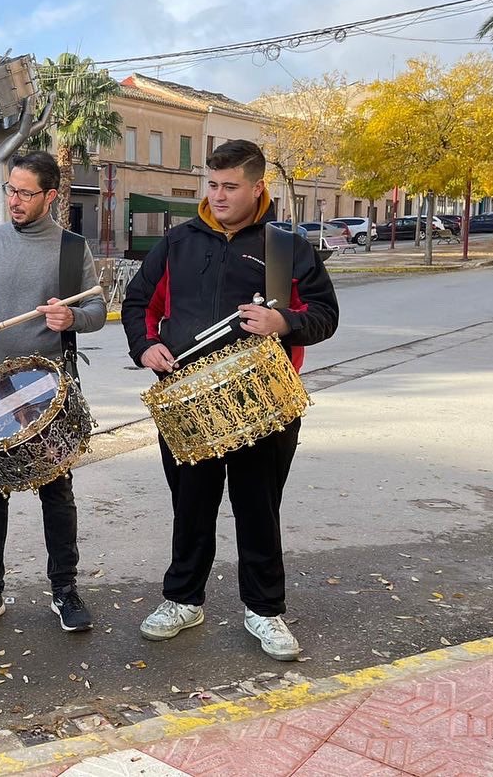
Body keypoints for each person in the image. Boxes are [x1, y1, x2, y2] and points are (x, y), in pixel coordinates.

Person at [121, 139, 339, 661]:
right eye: (212, 185)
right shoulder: (177, 242)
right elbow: (135, 303)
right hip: (188, 405)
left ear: (257, 187)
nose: (217, 196)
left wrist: (284, 321)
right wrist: (145, 345)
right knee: (190, 507)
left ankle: (265, 611)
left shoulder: (286, 247)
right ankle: (182, 601)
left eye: (229, 186)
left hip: (264, 404)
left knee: (258, 509)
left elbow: (325, 315)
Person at [0, 151, 107, 634]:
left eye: (24, 193)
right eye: (9, 191)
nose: (13, 200)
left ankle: (65, 591)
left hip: (49, 390)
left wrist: (71, 318)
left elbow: (96, 309)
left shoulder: (71, 249)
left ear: (51, 196)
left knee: (57, 491)